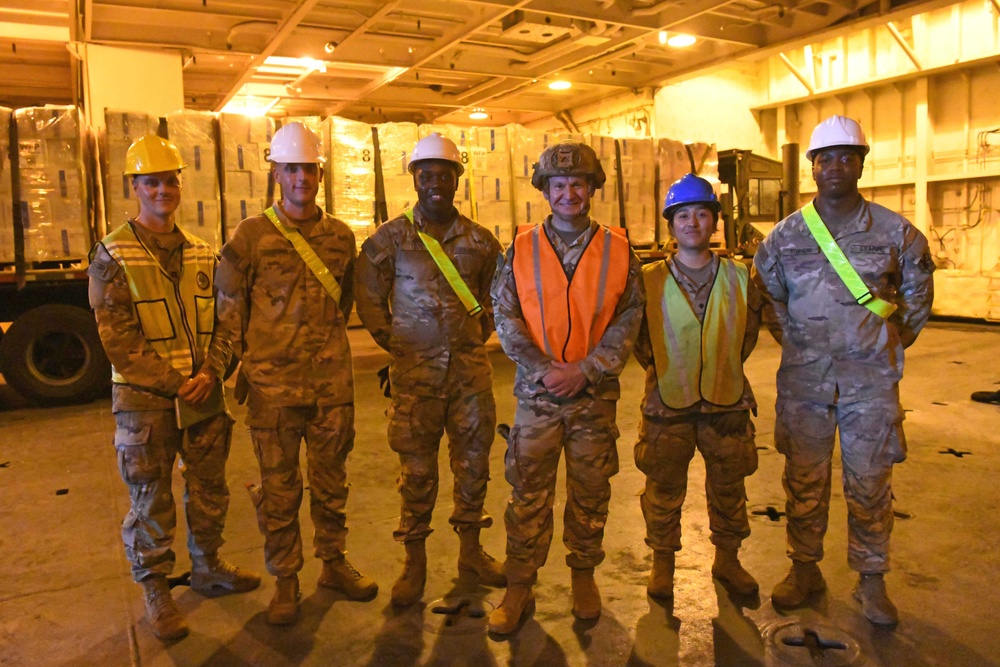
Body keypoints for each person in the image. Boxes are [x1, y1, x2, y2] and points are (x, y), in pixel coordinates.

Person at [753, 115, 935, 626]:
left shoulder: (897, 233)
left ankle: (871, 582)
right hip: (804, 384)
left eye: (846, 157)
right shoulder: (784, 237)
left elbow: (918, 301)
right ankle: (804, 569)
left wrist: (884, 344)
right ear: (813, 167)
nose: (835, 166)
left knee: (871, 483)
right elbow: (770, 302)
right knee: (803, 479)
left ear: (860, 164)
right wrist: (803, 346)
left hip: (870, 386)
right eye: (825, 158)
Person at [88, 134, 260, 641]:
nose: (163, 189)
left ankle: (208, 567)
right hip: (145, 402)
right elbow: (117, 341)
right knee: (151, 497)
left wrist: (213, 372)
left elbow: (229, 323)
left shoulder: (205, 254)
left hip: (203, 394)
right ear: (135, 188)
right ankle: (156, 588)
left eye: (170, 180)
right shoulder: (113, 255)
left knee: (209, 490)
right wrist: (176, 382)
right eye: (152, 182)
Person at [214, 122, 377, 626]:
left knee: (331, 483)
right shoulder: (251, 236)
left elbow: (345, 298)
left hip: (331, 386)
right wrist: (233, 366)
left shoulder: (341, 237)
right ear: (277, 174)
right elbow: (229, 307)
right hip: (271, 389)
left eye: (309, 168)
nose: (302, 177)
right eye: (292, 169)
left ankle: (332, 563)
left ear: (320, 174)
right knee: (280, 489)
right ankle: (286, 580)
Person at [488, 141, 645, 635]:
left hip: (593, 397)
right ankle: (519, 585)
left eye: (578, 184)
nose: (569, 193)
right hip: (538, 398)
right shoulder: (521, 247)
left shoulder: (620, 249)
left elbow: (630, 316)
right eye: (559, 185)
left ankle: (583, 574)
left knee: (590, 490)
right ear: (545, 190)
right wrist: (541, 370)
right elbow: (505, 313)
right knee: (528, 491)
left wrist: (589, 368)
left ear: (592, 188)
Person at [355, 132, 507, 607]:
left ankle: (470, 554)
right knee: (417, 473)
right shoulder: (389, 239)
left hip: (470, 380)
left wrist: (473, 338)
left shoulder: (482, 241)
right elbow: (368, 298)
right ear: (415, 179)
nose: (436, 182)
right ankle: (414, 564)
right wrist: (396, 345)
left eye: (446, 174)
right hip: (415, 382)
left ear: (457, 180)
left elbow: (497, 298)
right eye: (428, 174)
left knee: (473, 468)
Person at [634, 173, 762, 602]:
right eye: (683, 215)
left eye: (702, 214)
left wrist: (721, 365)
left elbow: (748, 333)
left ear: (714, 222)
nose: (692, 222)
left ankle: (728, 559)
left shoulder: (741, 276)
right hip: (666, 404)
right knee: (663, 486)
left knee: (729, 486)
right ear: (672, 224)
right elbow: (638, 340)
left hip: (727, 402)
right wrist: (666, 369)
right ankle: (663, 563)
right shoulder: (646, 279)